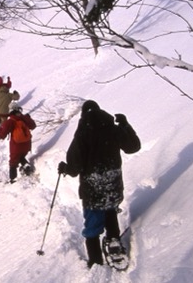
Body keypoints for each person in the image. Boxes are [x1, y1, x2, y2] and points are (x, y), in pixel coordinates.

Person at [58, 100, 141, 269]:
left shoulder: (82, 134)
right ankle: (113, 240)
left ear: (83, 115)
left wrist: (65, 168)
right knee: (110, 209)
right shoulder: (113, 128)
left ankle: (95, 261)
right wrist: (125, 125)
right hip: (113, 183)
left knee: (93, 223)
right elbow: (133, 147)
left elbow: (74, 168)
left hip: (92, 187)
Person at [0, 102, 37, 183]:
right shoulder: (24, 118)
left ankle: (13, 179)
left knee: (13, 162)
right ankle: (26, 166)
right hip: (27, 143)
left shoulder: (11, 120)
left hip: (16, 145)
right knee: (21, 156)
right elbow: (33, 125)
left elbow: (2, 134)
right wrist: (27, 118)